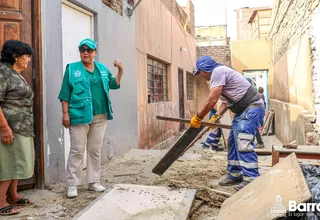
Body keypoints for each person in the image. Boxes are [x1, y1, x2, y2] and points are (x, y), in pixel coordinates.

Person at [58, 38, 123, 198]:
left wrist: (120, 70)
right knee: (77, 150)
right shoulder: (72, 69)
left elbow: (113, 84)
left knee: (94, 150)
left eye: (89, 50)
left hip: (100, 116)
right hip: (79, 115)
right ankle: (72, 184)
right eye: (82, 50)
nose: (85, 52)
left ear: (95, 52)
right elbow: (65, 92)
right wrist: (65, 113)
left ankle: (93, 181)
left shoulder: (102, 68)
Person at [190, 56, 265, 191]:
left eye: (199, 72)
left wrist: (198, 117)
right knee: (233, 142)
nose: (200, 76)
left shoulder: (217, 72)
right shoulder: (220, 74)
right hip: (242, 110)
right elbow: (226, 101)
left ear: (204, 69)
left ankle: (252, 178)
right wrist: (218, 115)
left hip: (251, 109)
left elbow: (212, 99)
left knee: (243, 142)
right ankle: (235, 174)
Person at [0, 40, 35, 216]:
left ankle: (12, 195)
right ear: (15, 56)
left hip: (22, 126)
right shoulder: (3, 72)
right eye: (26, 56)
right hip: (10, 126)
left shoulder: (16, 73)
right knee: (8, 163)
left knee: (17, 162)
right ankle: (0, 202)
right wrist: (4, 127)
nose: (28, 60)